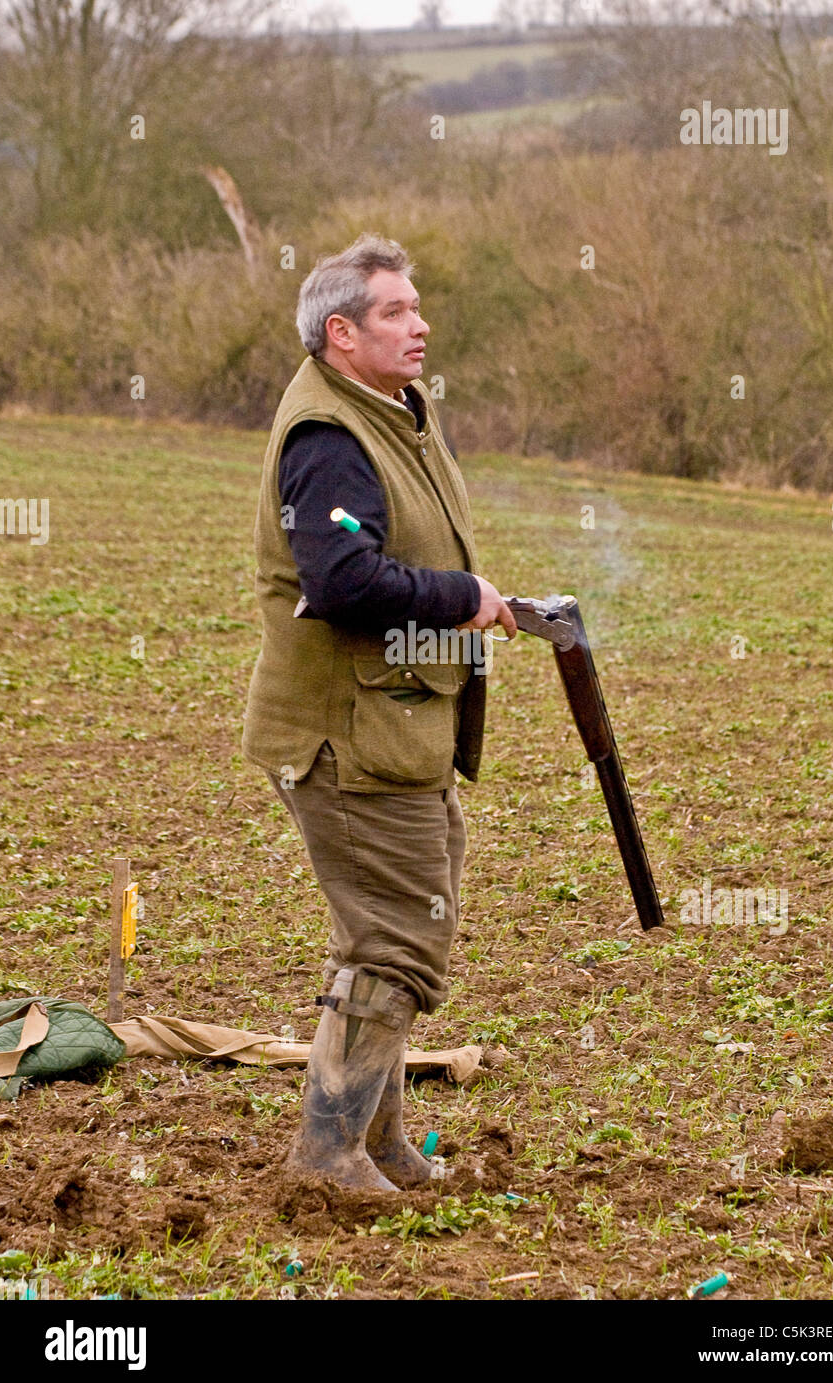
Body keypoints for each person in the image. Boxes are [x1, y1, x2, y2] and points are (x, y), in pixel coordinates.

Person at [242, 233, 516, 1191]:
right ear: (341, 332)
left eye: (417, 306)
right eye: (396, 311)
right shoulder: (329, 438)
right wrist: (460, 596)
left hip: (398, 727)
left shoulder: (391, 410)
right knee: (394, 936)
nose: (420, 323)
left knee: (389, 933)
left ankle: (377, 1142)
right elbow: (342, 577)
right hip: (346, 736)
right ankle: (325, 1159)